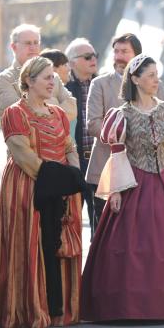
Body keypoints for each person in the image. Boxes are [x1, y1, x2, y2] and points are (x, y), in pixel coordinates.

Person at [80, 55, 164, 321]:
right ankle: (131, 306)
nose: (155, 80)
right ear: (135, 80)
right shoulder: (121, 115)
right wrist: (115, 190)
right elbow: (117, 155)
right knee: (133, 242)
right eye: (150, 75)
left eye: (156, 74)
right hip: (133, 182)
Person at [0, 57, 84, 328]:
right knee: (31, 243)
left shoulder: (57, 112)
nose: (52, 83)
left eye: (54, 78)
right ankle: (28, 308)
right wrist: (59, 179)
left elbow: (69, 146)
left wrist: (72, 175)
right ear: (29, 81)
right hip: (28, 187)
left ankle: (58, 309)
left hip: (59, 187)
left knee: (59, 245)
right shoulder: (15, 112)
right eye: (47, 78)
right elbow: (23, 154)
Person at [85, 33, 143, 225]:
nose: (118, 56)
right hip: (105, 171)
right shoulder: (100, 84)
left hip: (141, 171)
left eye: (124, 51)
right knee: (103, 235)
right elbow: (93, 124)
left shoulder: (152, 84)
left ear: (137, 55)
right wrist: (126, 136)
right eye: (116, 51)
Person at [0, 24, 76, 120]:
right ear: (14, 47)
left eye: (36, 43)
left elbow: (72, 108)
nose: (33, 47)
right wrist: (55, 105)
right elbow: (16, 113)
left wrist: (40, 109)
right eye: (28, 43)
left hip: (57, 135)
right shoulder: (5, 79)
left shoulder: (53, 76)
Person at [63, 38, 99, 233]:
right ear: (72, 62)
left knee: (99, 222)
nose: (93, 59)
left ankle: (97, 263)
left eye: (94, 55)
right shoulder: (63, 88)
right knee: (69, 221)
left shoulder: (103, 83)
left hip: (98, 159)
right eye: (87, 56)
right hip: (73, 160)